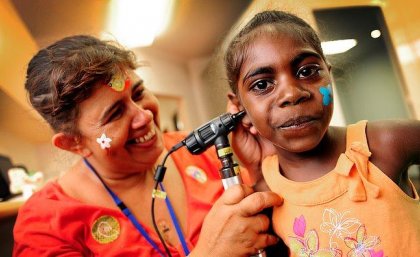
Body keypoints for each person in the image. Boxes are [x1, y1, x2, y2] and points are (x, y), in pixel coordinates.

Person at [13, 35, 283, 257]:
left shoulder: (199, 150)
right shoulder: (45, 222)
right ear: (73, 143)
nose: (145, 116)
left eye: (139, 93)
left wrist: (260, 170)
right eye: (115, 114)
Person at [225, 10, 420, 256]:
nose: (292, 94)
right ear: (240, 108)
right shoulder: (264, 196)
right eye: (262, 84)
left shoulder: (385, 143)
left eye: (307, 71)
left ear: (329, 74)